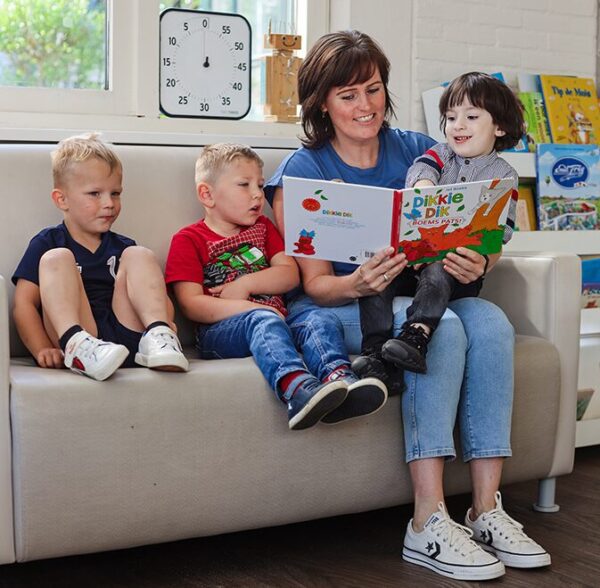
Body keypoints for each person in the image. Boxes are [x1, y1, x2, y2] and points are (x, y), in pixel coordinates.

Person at [265, 30, 550, 581]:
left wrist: (480, 263)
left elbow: (480, 222)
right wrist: (360, 283)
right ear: (322, 101)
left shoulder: (423, 146)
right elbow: (316, 288)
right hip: (348, 305)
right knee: (441, 332)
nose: (365, 105)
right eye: (348, 95)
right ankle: (426, 520)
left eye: (373, 89)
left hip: (421, 292)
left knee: (490, 322)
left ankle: (487, 509)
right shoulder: (304, 169)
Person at [165, 143, 387, 430]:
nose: (257, 194)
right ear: (207, 194)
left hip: (278, 316)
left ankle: (339, 380)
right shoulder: (189, 239)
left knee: (317, 318)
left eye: (259, 184)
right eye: (244, 185)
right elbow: (191, 304)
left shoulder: (263, 228)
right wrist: (248, 307)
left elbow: (289, 274)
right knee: (263, 320)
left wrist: (246, 284)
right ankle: (297, 390)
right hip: (221, 330)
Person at [353, 72, 525, 377]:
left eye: (471, 116)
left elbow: (504, 229)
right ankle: (376, 353)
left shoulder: (504, 175)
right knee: (378, 275)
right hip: (413, 263)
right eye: (450, 117)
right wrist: (422, 187)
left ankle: (416, 335)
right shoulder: (441, 153)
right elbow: (423, 168)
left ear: (499, 127)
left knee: (439, 266)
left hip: (456, 272)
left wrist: (482, 250)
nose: (457, 125)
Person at [12, 132, 189, 382]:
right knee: (56, 258)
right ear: (61, 199)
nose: (109, 203)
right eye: (95, 193)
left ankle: (159, 337)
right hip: (80, 337)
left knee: (140, 255)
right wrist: (42, 348)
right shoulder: (47, 242)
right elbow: (24, 305)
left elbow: (152, 293)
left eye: (115, 193)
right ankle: (77, 346)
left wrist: (166, 320)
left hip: (129, 338)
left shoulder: (124, 247)